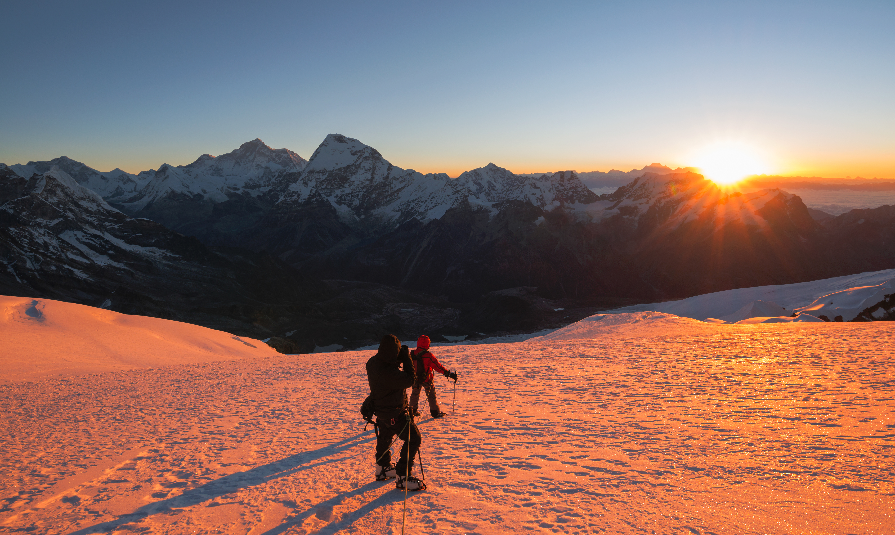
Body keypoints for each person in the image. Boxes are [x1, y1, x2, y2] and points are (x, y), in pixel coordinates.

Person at [365, 334, 425, 491]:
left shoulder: (372, 363)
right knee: (413, 439)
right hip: (394, 412)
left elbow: (387, 364)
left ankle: (382, 467)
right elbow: (410, 379)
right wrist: (406, 359)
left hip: (381, 410)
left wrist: (399, 357)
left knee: (385, 437)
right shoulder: (389, 373)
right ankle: (402, 476)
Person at [410, 335, 458, 419]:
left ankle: (412, 411)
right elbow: (438, 367)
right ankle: (435, 412)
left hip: (415, 378)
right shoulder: (428, 355)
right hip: (427, 379)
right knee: (431, 395)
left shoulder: (412, 354)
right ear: (427, 344)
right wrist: (448, 374)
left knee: (415, 394)